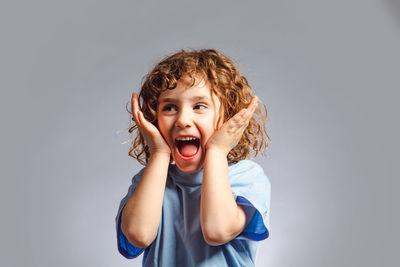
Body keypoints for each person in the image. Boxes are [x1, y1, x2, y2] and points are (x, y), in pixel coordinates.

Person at [115, 49, 271, 267]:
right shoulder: (150, 181)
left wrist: (216, 152)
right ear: (153, 118)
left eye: (199, 106)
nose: (183, 120)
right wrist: (160, 153)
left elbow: (217, 231)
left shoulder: (246, 177)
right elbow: (138, 235)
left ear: (228, 117)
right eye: (169, 107)